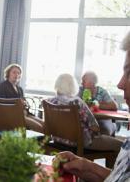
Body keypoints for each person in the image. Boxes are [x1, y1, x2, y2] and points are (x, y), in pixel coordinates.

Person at [54, 33, 130, 182]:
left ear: (93, 82)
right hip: (83, 136)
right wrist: (87, 166)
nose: (120, 84)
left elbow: (112, 107)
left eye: (129, 73)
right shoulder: (79, 97)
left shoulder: (101, 92)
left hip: (74, 135)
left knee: (107, 131)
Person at [48, 73, 122, 152]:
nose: (81, 83)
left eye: (83, 81)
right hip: (80, 142)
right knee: (121, 145)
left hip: (58, 140)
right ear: (72, 86)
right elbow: (95, 127)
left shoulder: (50, 101)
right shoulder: (77, 102)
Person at [0, 63, 44, 133]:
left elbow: (22, 102)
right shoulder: (3, 86)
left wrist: (25, 103)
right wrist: (17, 103)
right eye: (14, 72)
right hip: (12, 116)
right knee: (40, 128)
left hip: (24, 113)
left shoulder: (20, 89)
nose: (17, 75)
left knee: (45, 125)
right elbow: (1, 103)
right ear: (8, 73)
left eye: (18, 73)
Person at [78, 71, 118, 136]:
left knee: (104, 130)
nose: (81, 83)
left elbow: (114, 106)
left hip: (100, 119)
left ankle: (112, 127)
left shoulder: (102, 91)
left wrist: (96, 105)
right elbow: (77, 103)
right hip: (86, 119)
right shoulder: (80, 89)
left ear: (92, 83)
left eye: (84, 81)